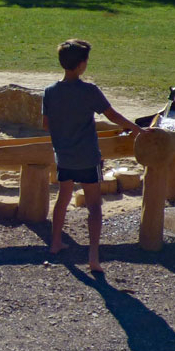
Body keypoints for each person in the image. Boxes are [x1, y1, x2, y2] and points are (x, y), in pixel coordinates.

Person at [43, 39, 142, 273]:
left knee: (62, 199)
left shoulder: (50, 91)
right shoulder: (89, 91)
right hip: (88, 158)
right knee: (95, 206)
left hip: (64, 157)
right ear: (81, 65)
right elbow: (112, 115)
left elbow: (46, 124)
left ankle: (55, 243)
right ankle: (93, 255)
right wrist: (136, 128)